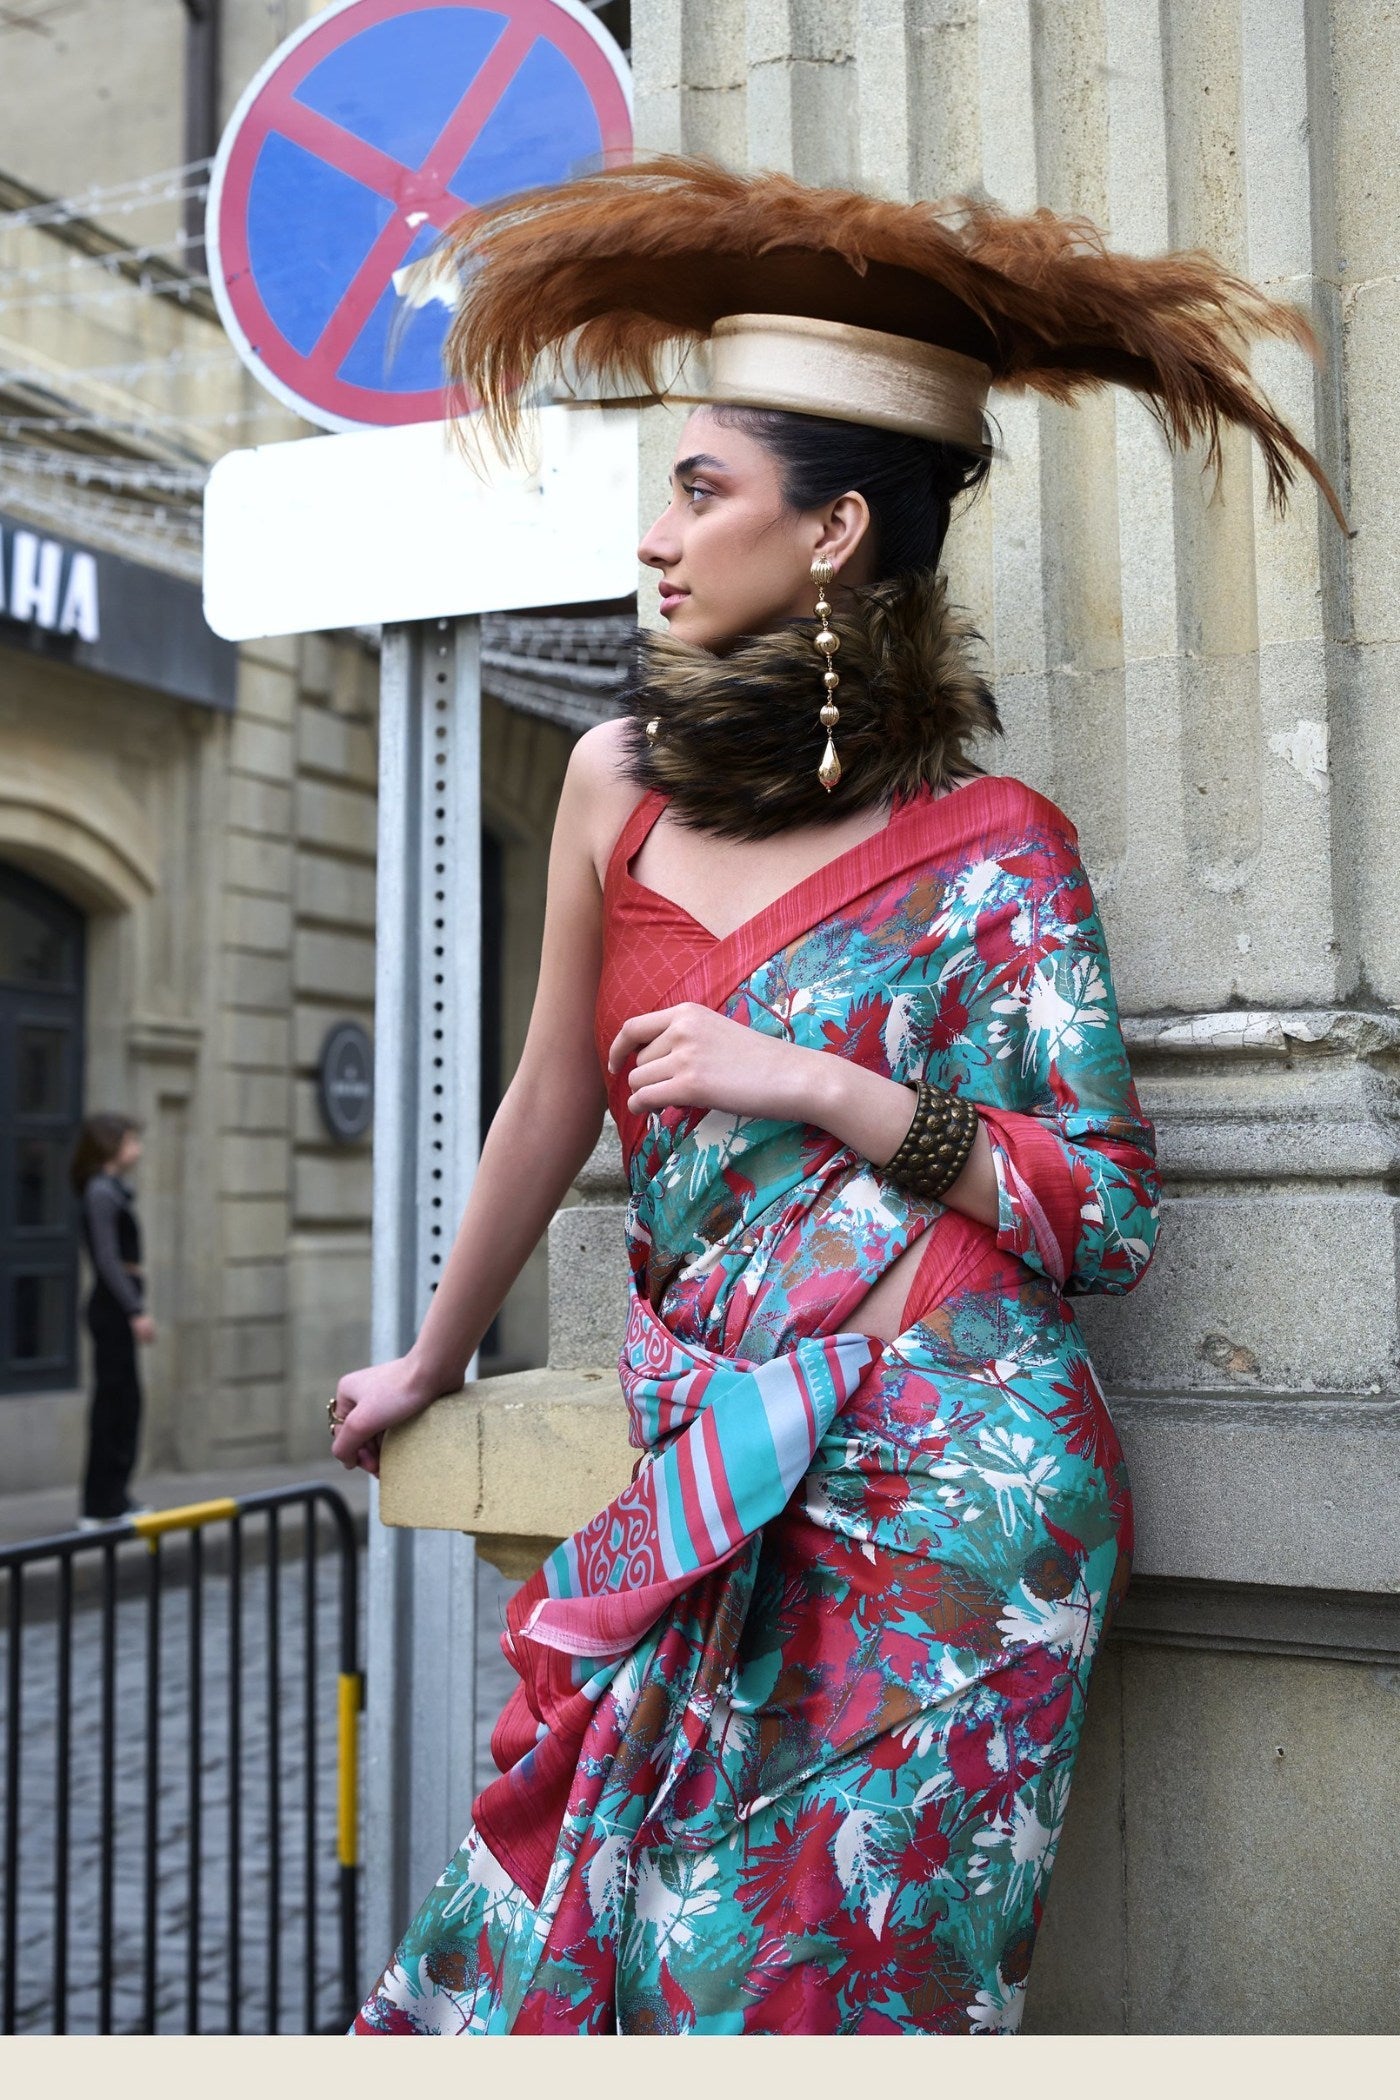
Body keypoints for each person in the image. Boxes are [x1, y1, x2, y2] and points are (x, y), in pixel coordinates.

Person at [333, 160, 1343, 2034]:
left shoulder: (996, 850)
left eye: (702, 491)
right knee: (607, 1958)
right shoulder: (611, 781)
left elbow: (1104, 1214)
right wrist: (430, 1357)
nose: (656, 537)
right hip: (716, 1470)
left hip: (967, 1514)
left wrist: (819, 1083)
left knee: (830, 1999)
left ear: (830, 532)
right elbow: (548, 1096)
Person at [69, 1112, 155, 1527]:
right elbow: (106, 1259)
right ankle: (100, 1503)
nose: (136, 1149)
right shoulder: (101, 1192)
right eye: (131, 1141)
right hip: (112, 1310)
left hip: (116, 1307)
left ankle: (113, 1498)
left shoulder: (111, 1190)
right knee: (115, 1404)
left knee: (124, 1403)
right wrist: (135, 1310)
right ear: (111, 1145)